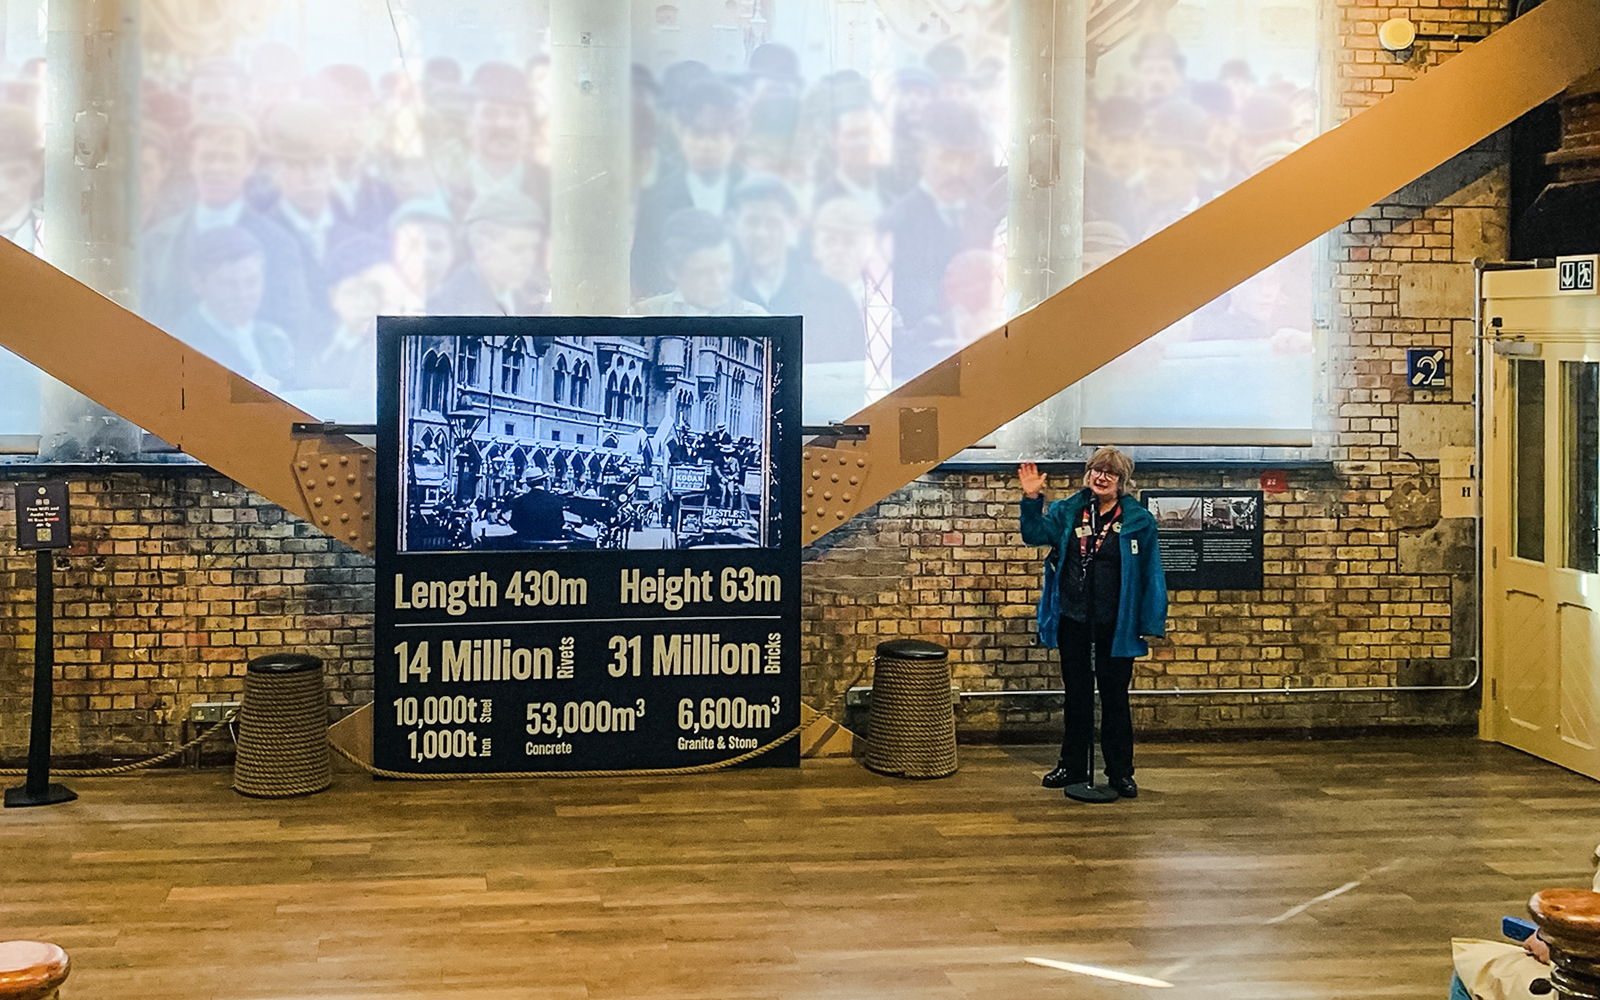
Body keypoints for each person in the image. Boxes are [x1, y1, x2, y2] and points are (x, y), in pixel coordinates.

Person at [1018, 447, 1167, 799]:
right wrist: (1031, 497)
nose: (1101, 477)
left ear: (1122, 482)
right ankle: (1072, 765)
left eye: (1110, 473)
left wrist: (1151, 620)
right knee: (1077, 696)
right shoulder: (1068, 510)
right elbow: (1035, 534)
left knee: (1115, 699)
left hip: (1116, 625)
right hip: (1074, 619)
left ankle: (1120, 772)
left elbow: (1151, 574)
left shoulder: (1139, 520)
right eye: (1096, 470)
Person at [631, 80, 745, 298]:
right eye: (697, 134)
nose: (706, 145)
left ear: (734, 135)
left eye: (715, 135)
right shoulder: (652, 202)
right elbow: (644, 277)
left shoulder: (757, 198)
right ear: (680, 132)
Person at [171, 226, 299, 391]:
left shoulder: (274, 338)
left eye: (251, 281)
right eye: (228, 284)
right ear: (198, 283)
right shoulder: (185, 343)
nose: (242, 295)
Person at [429, 188, 548, 316]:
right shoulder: (447, 306)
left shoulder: (528, 298)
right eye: (517, 249)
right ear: (481, 245)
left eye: (533, 248)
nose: (529, 260)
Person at [633, 209, 764, 317]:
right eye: (703, 272)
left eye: (724, 269)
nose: (718, 281)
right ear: (673, 271)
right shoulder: (647, 313)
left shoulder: (755, 318)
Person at [506, 468, 566, 543]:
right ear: (543, 482)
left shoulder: (520, 501)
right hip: (551, 542)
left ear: (528, 484)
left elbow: (514, 524)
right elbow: (561, 522)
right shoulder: (556, 500)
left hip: (527, 542)